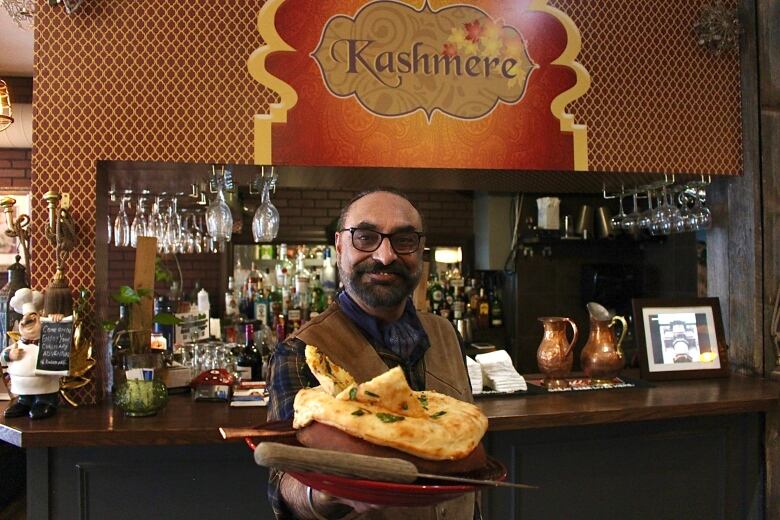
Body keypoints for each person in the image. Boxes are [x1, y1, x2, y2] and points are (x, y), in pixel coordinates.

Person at [267, 188, 476, 520]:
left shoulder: (446, 334)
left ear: (420, 249)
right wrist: (323, 492)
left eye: (403, 240)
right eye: (366, 237)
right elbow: (284, 479)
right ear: (339, 246)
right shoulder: (302, 350)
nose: (385, 256)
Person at [1, 288, 60, 420]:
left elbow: (63, 337)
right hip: (22, 389)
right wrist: (9, 355)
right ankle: (24, 402)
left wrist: (57, 321)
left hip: (46, 388)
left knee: (44, 397)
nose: (27, 322)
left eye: (32, 319)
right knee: (23, 400)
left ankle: (46, 403)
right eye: (24, 320)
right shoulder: (17, 344)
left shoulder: (49, 341)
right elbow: (3, 357)